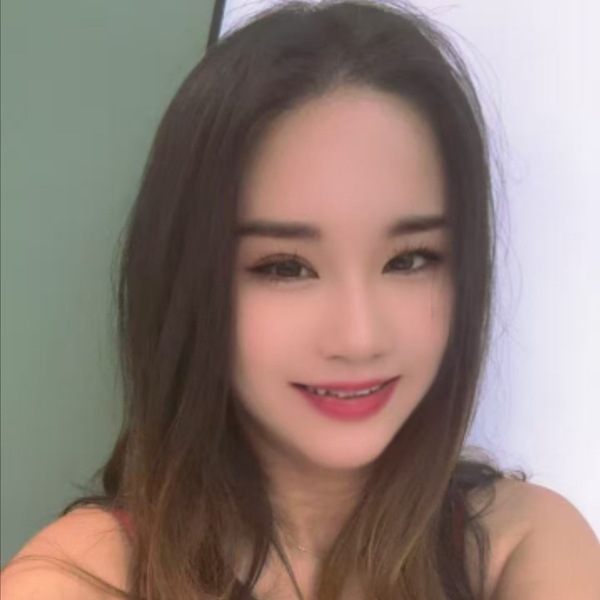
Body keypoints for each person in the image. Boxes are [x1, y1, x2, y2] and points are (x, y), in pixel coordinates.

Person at [2, 1, 599, 598]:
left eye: (409, 259)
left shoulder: (523, 543)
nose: (359, 338)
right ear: (190, 283)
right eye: (285, 267)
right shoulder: (78, 577)